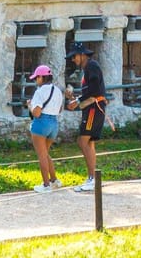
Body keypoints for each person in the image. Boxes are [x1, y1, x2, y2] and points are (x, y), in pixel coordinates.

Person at [64, 42, 107, 192]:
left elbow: (95, 89)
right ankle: (93, 178)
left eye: (74, 56)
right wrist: (76, 98)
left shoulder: (91, 66)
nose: (73, 60)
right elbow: (91, 90)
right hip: (92, 109)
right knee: (89, 143)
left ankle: (92, 178)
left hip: (93, 109)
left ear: (82, 55)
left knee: (83, 141)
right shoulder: (88, 68)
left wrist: (78, 100)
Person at [25, 64, 64, 193]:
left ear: (41, 77)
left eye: (37, 78)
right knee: (46, 154)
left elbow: (36, 113)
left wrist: (30, 105)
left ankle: (46, 185)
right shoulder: (57, 90)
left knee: (41, 155)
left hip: (41, 124)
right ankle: (54, 180)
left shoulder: (39, 92)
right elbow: (60, 109)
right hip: (54, 123)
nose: (36, 81)